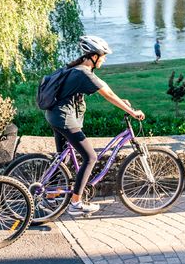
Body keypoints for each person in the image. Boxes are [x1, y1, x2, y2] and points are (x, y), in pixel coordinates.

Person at [45, 35, 145, 216]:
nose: (104, 59)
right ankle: (75, 203)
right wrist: (132, 112)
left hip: (54, 116)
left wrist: (121, 101)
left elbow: (107, 89)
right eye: (103, 55)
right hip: (64, 119)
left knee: (63, 158)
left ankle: (49, 195)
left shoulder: (76, 69)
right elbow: (107, 94)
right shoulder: (83, 73)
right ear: (93, 56)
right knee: (91, 157)